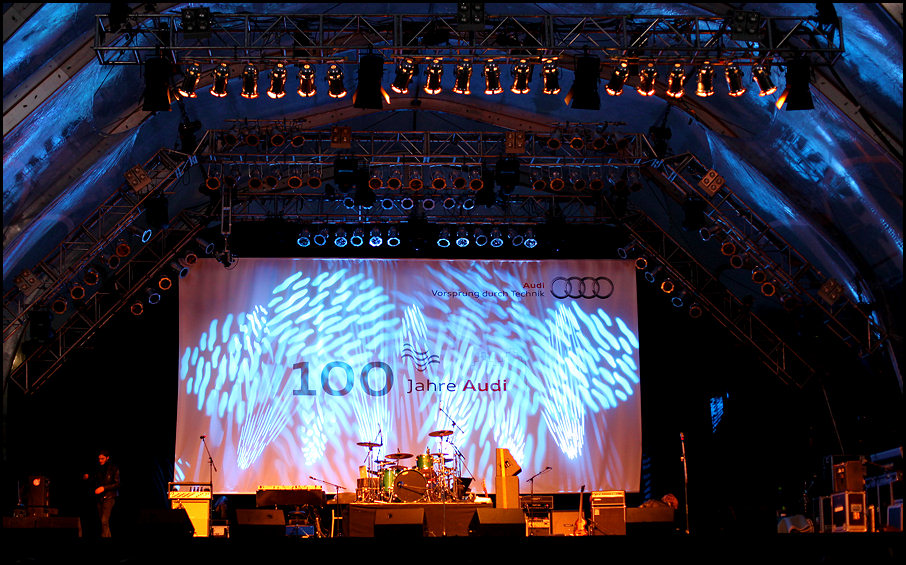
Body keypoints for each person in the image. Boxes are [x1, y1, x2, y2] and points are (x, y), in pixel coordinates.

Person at [83, 450, 120, 538]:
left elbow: (117, 484)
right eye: (99, 459)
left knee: (104, 520)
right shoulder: (98, 468)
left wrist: (104, 488)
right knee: (103, 522)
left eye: (102, 458)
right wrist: (88, 477)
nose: (100, 460)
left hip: (109, 497)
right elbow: (95, 479)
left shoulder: (114, 468)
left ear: (107, 458)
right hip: (99, 498)